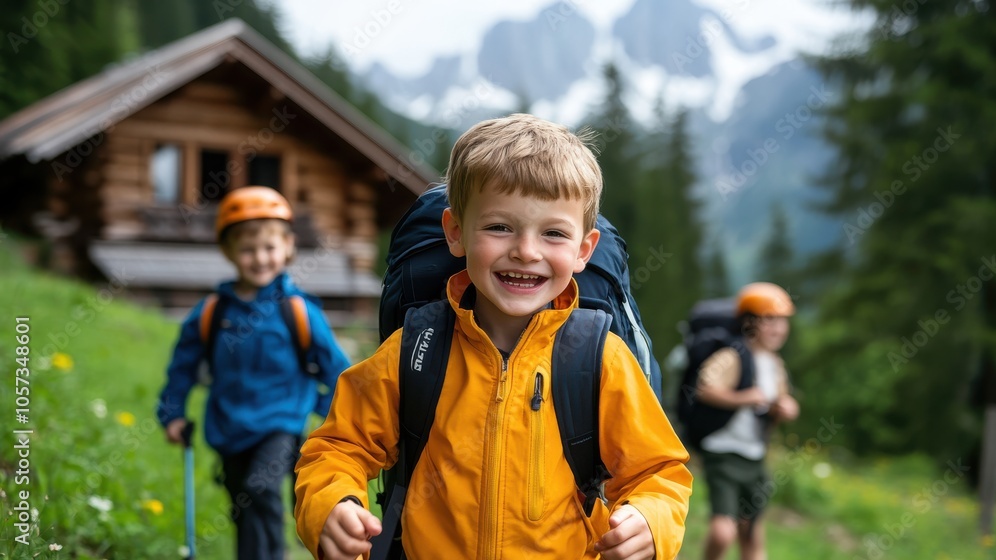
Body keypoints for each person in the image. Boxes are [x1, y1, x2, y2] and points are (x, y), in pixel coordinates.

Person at [294, 114, 692, 560]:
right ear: (456, 232)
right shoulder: (415, 351)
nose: (526, 250)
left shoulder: (600, 360)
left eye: (554, 233)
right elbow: (337, 447)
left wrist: (650, 520)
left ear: (584, 250)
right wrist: (332, 503)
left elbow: (657, 471)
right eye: (500, 227)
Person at [156, 186, 352, 560]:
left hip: (281, 423)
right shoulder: (212, 311)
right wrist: (173, 412)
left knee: (260, 488)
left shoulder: (298, 311)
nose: (260, 258)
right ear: (229, 251)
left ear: (287, 247)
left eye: (269, 247)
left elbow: (338, 370)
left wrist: (328, 413)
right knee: (243, 501)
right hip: (228, 425)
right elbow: (182, 365)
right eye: (248, 249)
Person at [696, 282, 799, 560]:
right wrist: (743, 398)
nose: (778, 328)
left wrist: (784, 407)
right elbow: (704, 388)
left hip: (755, 456)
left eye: (782, 321)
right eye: (770, 320)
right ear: (749, 321)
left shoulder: (775, 364)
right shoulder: (733, 356)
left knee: (752, 531)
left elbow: (776, 400)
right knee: (723, 531)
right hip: (723, 452)